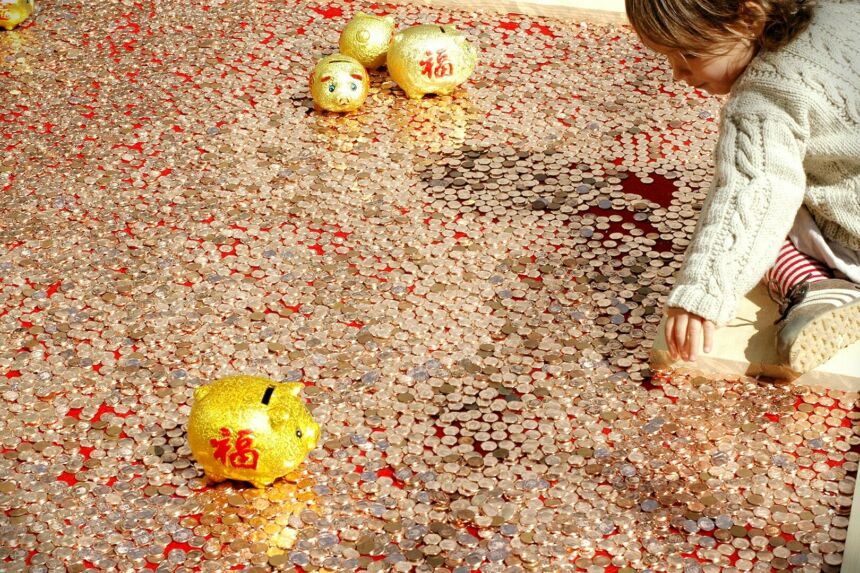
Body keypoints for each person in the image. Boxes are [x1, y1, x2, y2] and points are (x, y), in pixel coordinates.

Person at [624, 0, 860, 373]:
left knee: (751, 222)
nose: (677, 74)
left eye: (689, 54)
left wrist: (701, 294)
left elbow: (755, 192)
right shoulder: (842, 11)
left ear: (748, 18)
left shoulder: (761, 99)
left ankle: (819, 290)